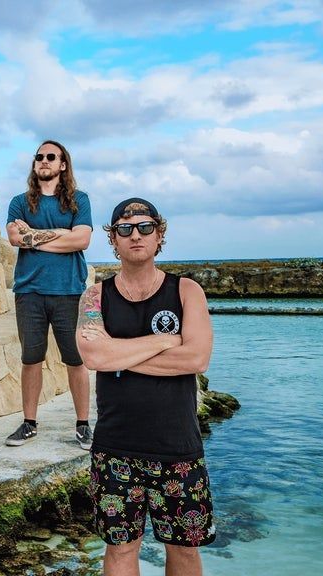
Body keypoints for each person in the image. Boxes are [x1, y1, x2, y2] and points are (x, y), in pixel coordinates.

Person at [77, 198, 215, 575]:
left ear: (159, 235)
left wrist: (118, 352)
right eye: (125, 229)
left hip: (179, 447)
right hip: (115, 449)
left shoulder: (187, 291)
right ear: (114, 239)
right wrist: (164, 341)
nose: (135, 235)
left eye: (145, 227)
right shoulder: (95, 296)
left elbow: (196, 359)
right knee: (121, 550)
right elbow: (94, 356)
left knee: (184, 550)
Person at [4, 140, 94, 449]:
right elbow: (16, 237)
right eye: (39, 157)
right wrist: (62, 234)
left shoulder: (79, 200)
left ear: (62, 164)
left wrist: (34, 236)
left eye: (51, 157)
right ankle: (29, 423)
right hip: (29, 292)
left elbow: (82, 240)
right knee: (31, 359)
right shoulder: (19, 202)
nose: (44, 160)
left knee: (75, 360)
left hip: (69, 291)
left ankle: (83, 425)